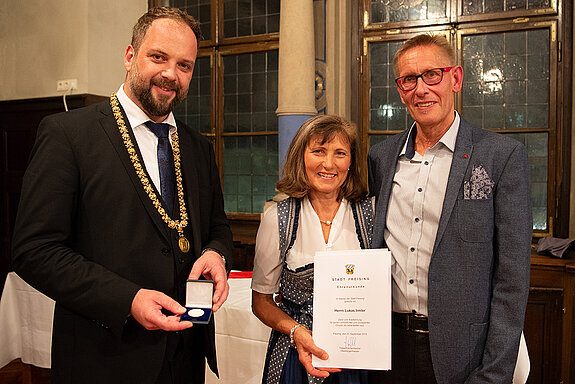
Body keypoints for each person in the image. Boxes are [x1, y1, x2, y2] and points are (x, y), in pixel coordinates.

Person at [11, 7, 233, 384]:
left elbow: (218, 228)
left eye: (185, 65)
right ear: (130, 56)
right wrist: (126, 299)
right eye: (158, 57)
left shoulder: (198, 148)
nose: (170, 74)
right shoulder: (68, 135)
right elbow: (35, 251)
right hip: (104, 357)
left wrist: (216, 253)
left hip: (185, 361)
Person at [367, 34, 532, 383]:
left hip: (462, 354)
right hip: (386, 347)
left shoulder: (501, 156)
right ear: (400, 90)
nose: (421, 89)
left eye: (432, 75)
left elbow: (512, 281)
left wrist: (493, 373)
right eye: (409, 80)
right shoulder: (380, 159)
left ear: (455, 78)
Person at [251, 114, 374, 384]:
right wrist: (296, 331)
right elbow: (260, 302)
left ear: (351, 161)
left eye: (340, 153)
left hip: (355, 361)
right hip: (295, 357)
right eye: (318, 151)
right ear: (301, 157)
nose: (328, 164)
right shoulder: (279, 219)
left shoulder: (370, 214)